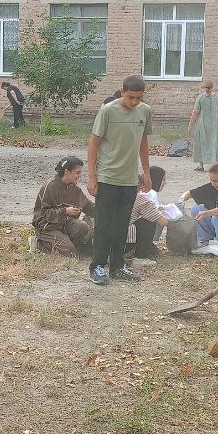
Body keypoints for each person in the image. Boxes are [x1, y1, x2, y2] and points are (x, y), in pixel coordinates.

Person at [87, 75, 153, 286]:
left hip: (129, 180)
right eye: (131, 97)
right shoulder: (108, 111)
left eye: (138, 98)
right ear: (122, 91)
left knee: (122, 225)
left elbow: (143, 143)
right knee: (104, 224)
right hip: (107, 177)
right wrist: (92, 176)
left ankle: (118, 266)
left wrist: (147, 172)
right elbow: (93, 144)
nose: (134, 102)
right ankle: (97, 266)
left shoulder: (145, 111)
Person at [33, 156, 94, 256]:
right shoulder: (51, 186)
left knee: (82, 227)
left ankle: (68, 243)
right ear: (67, 171)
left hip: (63, 224)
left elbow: (88, 206)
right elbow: (45, 214)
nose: (80, 176)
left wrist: (107, 210)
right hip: (46, 227)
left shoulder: (75, 189)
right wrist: (66, 211)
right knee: (69, 251)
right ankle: (38, 244)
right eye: (77, 173)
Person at [127, 164, 169, 261]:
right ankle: (141, 255)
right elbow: (162, 221)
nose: (166, 182)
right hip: (126, 240)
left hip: (110, 239)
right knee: (149, 221)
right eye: (163, 180)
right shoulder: (143, 197)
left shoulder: (122, 195)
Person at [188, 79, 218, 171]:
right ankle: (214, 165)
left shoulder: (201, 97)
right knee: (215, 142)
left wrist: (190, 125)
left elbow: (195, 112)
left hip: (203, 125)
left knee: (201, 143)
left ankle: (202, 165)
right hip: (214, 125)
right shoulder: (217, 97)